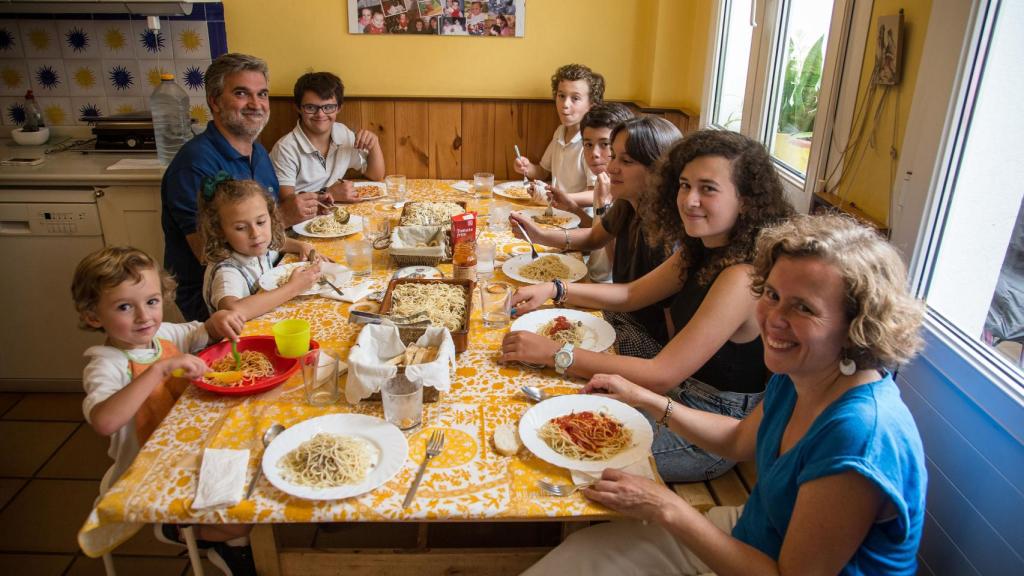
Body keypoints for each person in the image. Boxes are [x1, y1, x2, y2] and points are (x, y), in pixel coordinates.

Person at [523, 213, 928, 575]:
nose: (774, 320)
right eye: (771, 295)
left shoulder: (859, 436)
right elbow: (738, 440)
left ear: (859, 324)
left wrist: (669, 508)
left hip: (765, 562)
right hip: (752, 532)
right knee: (581, 554)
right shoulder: (804, 372)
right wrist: (644, 398)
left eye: (803, 308)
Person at [502, 130, 794, 481]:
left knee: (557, 459)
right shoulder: (703, 247)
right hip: (669, 396)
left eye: (708, 189)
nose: (690, 200)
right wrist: (554, 287)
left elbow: (661, 372)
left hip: (708, 427)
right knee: (541, 419)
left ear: (746, 200)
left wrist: (555, 353)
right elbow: (629, 295)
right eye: (685, 185)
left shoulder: (742, 276)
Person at [72, 246, 256, 575]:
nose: (144, 317)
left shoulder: (164, 335)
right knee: (241, 520)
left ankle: (230, 548)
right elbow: (104, 421)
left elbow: (202, 331)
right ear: (93, 316)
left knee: (253, 478)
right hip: (149, 469)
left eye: (152, 302)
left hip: (189, 448)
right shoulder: (105, 364)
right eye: (125, 307)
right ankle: (181, 530)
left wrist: (218, 321)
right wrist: (158, 371)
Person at [511, 115, 683, 360]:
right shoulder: (628, 204)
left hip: (644, 339)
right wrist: (540, 235)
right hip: (620, 314)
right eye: (615, 156)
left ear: (659, 169)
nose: (611, 167)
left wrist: (556, 289)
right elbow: (594, 238)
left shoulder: (668, 237)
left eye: (626, 160)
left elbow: (666, 339)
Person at [162, 53, 314, 323]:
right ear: (215, 101)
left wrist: (293, 244)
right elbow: (209, 252)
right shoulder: (193, 165)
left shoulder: (258, 152)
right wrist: (285, 219)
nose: (256, 104)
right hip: (214, 308)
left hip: (264, 274)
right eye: (242, 93)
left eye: (263, 94)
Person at [199, 177, 321, 317]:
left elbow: (277, 244)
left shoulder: (256, 246)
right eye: (240, 228)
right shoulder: (226, 271)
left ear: (271, 217)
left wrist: (300, 245)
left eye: (261, 222)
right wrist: (293, 288)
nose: (255, 234)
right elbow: (233, 311)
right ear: (219, 231)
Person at [270, 71, 385, 212]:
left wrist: (374, 144)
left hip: (332, 216)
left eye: (328, 107)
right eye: (311, 107)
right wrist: (328, 194)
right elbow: (287, 204)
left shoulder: (343, 133)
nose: (320, 114)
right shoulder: (285, 149)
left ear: (339, 108)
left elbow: (376, 175)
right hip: (298, 224)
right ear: (298, 108)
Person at [514, 63, 604, 206]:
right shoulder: (560, 131)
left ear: (591, 105)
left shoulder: (591, 143)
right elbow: (543, 171)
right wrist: (527, 167)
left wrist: (558, 197)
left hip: (579, 218)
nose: (565, 104)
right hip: (555, 210)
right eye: (561, 96)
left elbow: (596, 194)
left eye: (575, 98)